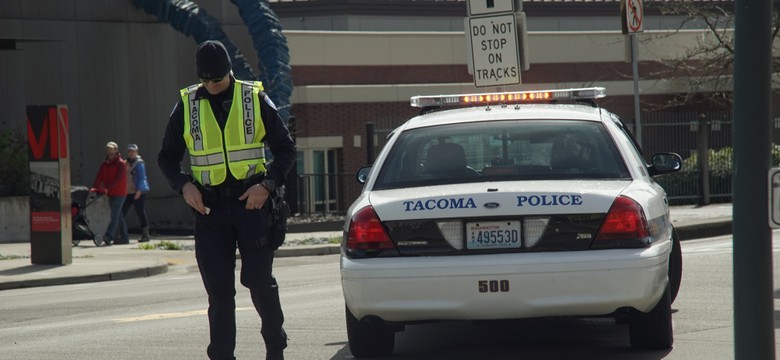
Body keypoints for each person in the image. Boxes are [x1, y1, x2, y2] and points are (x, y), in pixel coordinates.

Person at [157, 40, 296, 360]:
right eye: (205, 80)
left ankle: (275, 347)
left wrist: (267, 186)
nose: (211, 86)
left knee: (258, 282)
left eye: (217, 80)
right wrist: (184, 187)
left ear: (229, 73)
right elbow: (167, 156)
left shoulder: (253, 97)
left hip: (252, 205)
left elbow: (285, 149)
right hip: (209, 210)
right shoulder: (187, 104)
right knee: (219, 294)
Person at [91, 141, 128, 246]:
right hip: (110, 193)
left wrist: (107, 188)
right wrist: (95, 187)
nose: (110, 151)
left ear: (116, 150)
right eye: (108, 149)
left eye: (112, 149)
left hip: (120, 193)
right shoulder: (104, 164)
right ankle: (125, 237)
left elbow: (118, 179)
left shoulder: (121, 164)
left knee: (115, 214)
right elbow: (99, 177)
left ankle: (109, 236)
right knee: (118, 215)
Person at [120, 143, 151, 243]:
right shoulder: (126, 163)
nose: (131, 153)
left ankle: (145, 235)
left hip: (138, 192)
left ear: (136, 152)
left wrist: (139, 191)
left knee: (140, 212)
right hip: (128, 192)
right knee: (121, 213)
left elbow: (142, 178)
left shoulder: (139, 163)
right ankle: (122, 235)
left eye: (133, 151)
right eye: (129, 151)